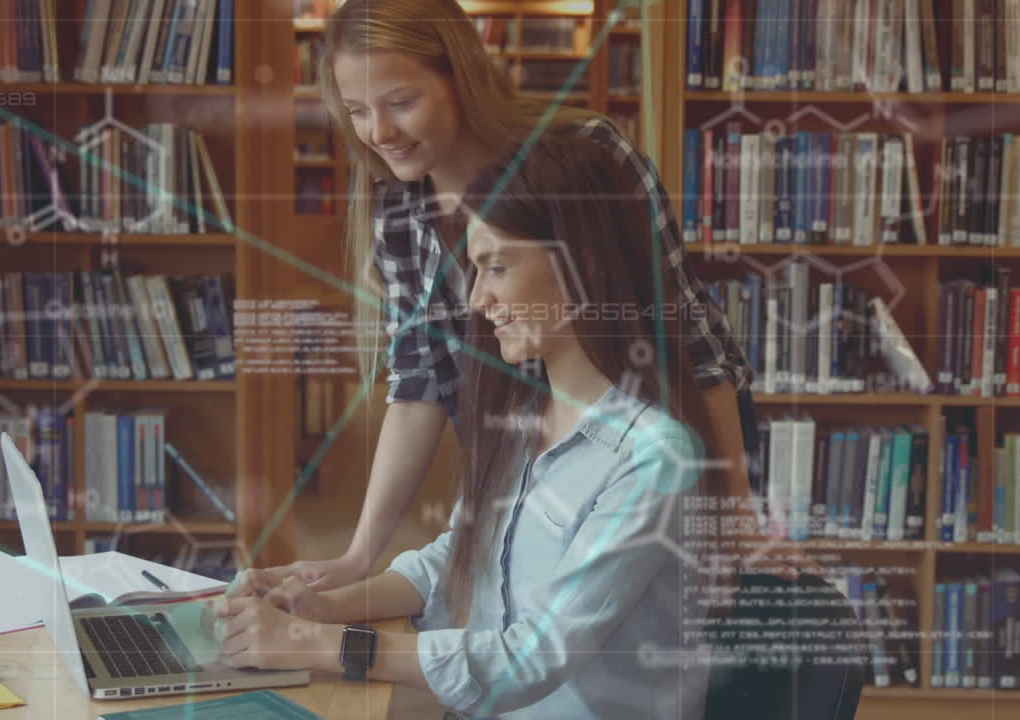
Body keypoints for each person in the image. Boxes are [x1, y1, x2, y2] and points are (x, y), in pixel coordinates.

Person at [271, 0, 804, 590]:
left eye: (401, 102)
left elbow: (690, 346)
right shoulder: (395, 207)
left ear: (461, 77)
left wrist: (735, 522)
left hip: (658, 440)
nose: (378, 132)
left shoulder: (587, 155)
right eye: (357, 111)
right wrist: (357, 556)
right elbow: (420, 379)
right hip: (529, 450)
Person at [210, 130, 716, 720]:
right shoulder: (521, 417)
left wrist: (320, 645)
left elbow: (531, 658)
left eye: (496, 268)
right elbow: (457, 556)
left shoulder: (655, 458)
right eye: (474, 270)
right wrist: (325, 608)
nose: (477, 299)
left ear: (584, 265)